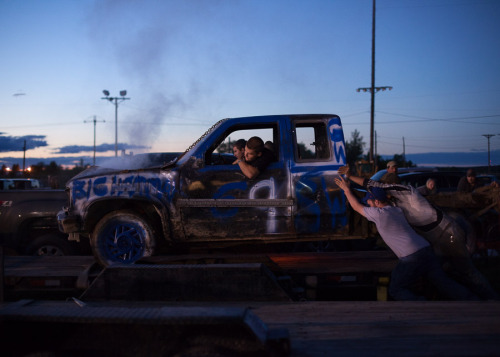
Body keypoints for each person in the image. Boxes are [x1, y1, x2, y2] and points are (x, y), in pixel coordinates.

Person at [338, 165, 499, 300]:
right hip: (431, 241)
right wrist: (350, 178)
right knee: (440, 278)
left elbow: (371, 189)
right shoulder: (394, 205)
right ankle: (469, 301)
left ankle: (490, 300)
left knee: (466, 271)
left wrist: (350, 178)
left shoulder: (402, 192)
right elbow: (373, 188)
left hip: (446, 233)